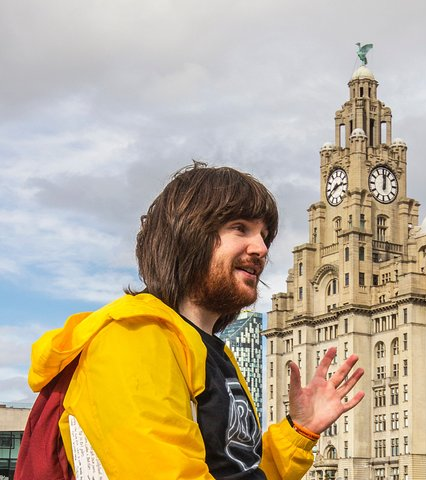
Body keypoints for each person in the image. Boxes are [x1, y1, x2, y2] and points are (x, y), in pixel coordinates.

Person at [23, 163, 365, 479]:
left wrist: (299, 430)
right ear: (189, 235)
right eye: (240, 228)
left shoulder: (208, 349)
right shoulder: (135, 336)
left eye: (264, 235)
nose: (261, 248)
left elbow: (239, 471)